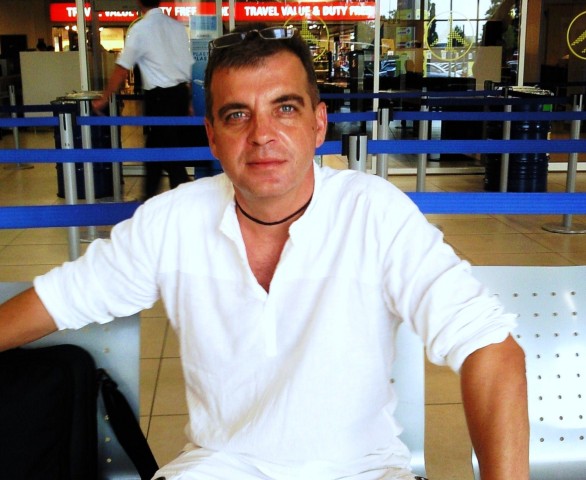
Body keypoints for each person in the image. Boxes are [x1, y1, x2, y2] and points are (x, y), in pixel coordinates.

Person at [0, 25, 528, 480]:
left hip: (361, 470)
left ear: (319, 124)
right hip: (219, 467)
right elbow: (60, 299)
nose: (262, 135)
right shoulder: (172, 221)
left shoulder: (374, 213)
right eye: (237, 115)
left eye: (285, 108)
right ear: (212, 136)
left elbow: (490, 348)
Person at [92, 0, 193, 200]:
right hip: (180, 95)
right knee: (158, 149)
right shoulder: (177, 27)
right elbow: (186, 65)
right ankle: (149, 198)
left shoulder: (140, 29)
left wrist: (104, 98)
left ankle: (184, 198)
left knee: (169, 154)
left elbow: (122, 68)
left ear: (139, 3)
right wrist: (188, 102)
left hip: (159, 98)